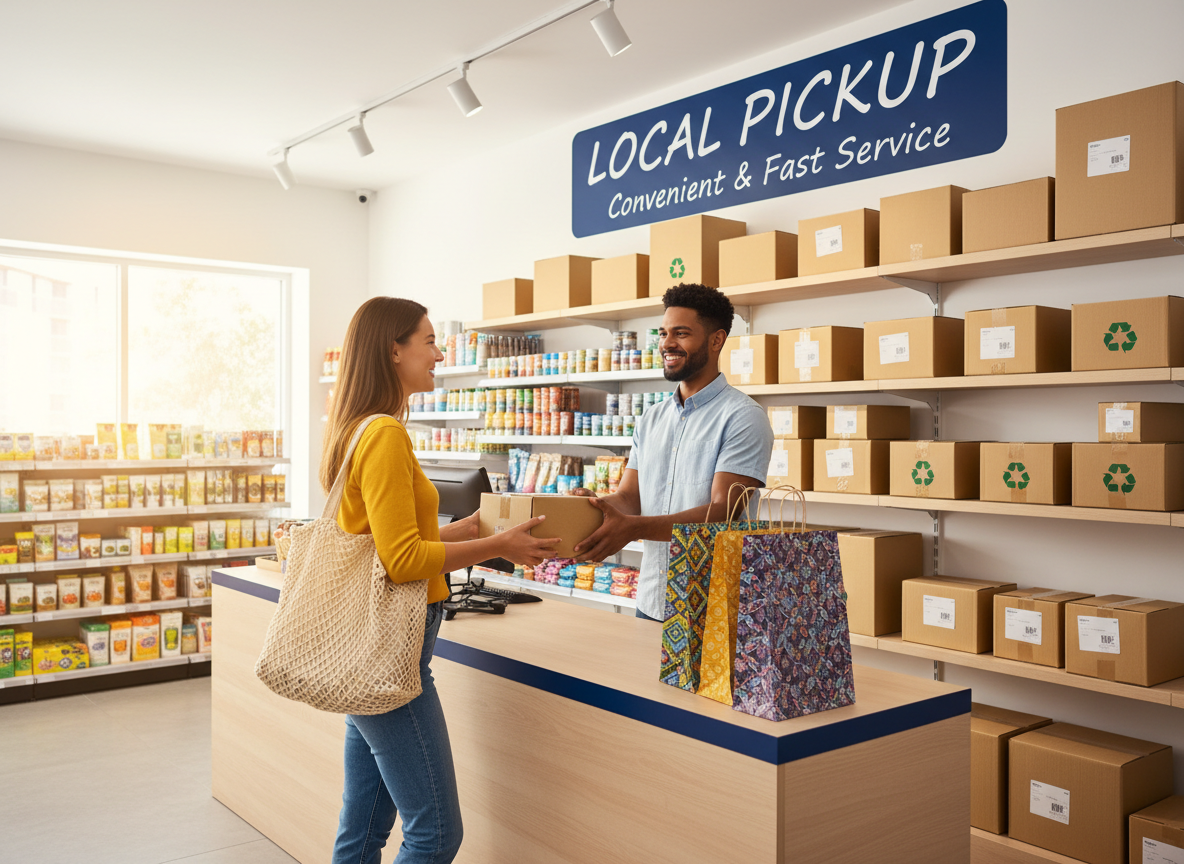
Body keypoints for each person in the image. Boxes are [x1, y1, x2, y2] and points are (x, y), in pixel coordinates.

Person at [320, 296, 559, 864]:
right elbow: (402, 561)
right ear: (393, 350)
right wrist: (497, 546)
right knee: (435, 835)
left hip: (365, 649)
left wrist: (473, 528)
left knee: (363, 829)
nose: (439, 353)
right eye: (429, 341)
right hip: (390, 658)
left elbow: (387, 542)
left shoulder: (357, 428)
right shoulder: (384, 434)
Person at [571, 283, 774, 621]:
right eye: (664, 333)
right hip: (652, 599)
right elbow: (629, 498)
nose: (667, 343)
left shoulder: (743, 417)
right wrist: (595, 507)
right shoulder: (651, 419)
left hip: (711, 607)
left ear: (716, 340)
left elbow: (724, 512)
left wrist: (633, 528)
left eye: (681, 333)